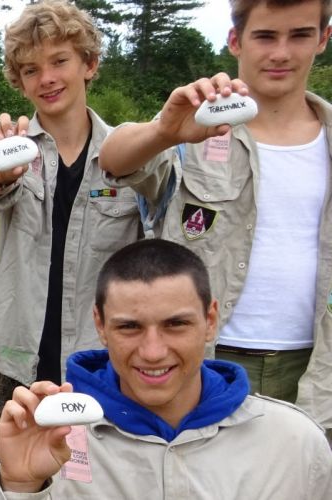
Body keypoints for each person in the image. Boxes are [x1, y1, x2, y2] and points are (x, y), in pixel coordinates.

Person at [98, 0, 332, 437]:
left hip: (316, 372)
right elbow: (113, 160)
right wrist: (165, 131)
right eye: (265, 36)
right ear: (234, 40)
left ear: (323, 39)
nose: (281, 52)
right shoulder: (194, 130)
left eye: (299, 35)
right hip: (207, 363)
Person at [0, 239, 331, 498]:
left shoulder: (294, 443)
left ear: (210, 320)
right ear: (100, 325)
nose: (152, 352)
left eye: (175, 324)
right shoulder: (48, 439)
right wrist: (19, 484)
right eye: (130, 327)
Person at [0, 0, 137, 409]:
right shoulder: (7, 148)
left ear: (89, 64)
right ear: (19, 82)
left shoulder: (128, 153)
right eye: (30, 70)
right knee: (9, 469)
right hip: (11, 358)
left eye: (59, 61)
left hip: (98, 360)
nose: (47, 78)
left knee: (91, 471)